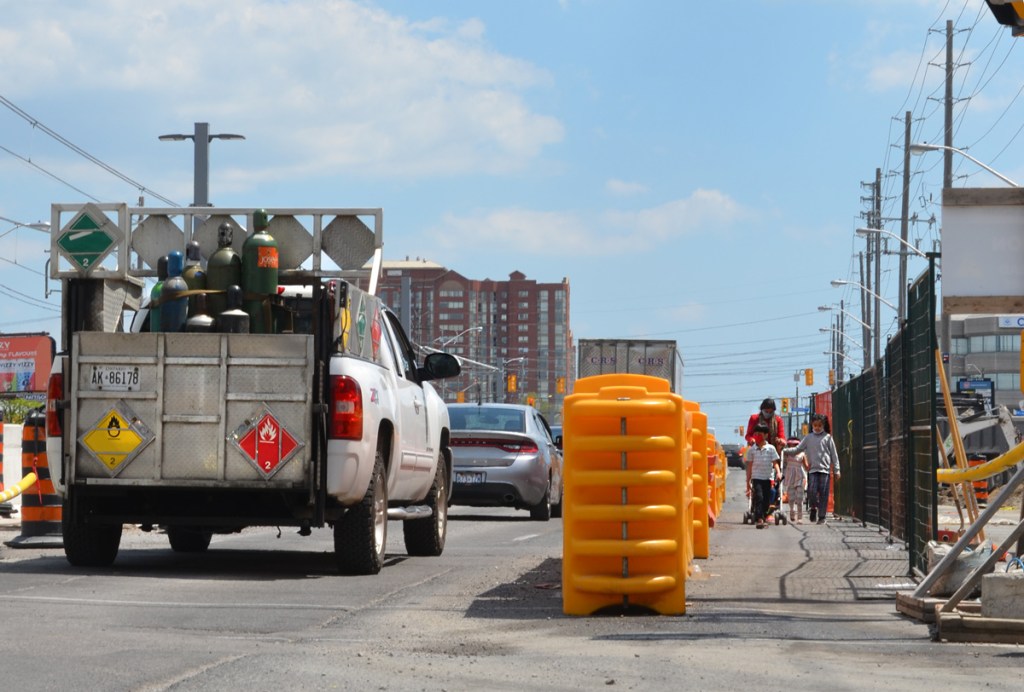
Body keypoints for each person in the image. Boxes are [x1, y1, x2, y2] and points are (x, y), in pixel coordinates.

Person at [790, 412, 840, 524]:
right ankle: (813, 507)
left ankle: (821, 516)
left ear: (823, 425)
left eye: (819, 426)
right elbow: (798, 448)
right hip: (813, 470)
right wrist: (787, 451)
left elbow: (834, 455)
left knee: (824, 493)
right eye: (815, 425)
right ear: (812, 425)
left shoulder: (827, 438)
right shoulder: (808, 438)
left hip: (825, 470)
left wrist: (837, 470)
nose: (817, 428)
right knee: (811, 491)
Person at [745, 423, 781, 529]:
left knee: (766, 499)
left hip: (768, 478)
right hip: (756, 478)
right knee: (759, 497)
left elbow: (775, 462)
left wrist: (778, 472)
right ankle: (759, 518)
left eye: (760, 434)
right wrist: (748, 480)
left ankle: (764, 515)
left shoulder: (771, 448)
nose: (757, 436)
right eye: (756, 434)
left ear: (765, 435)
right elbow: (749, 466)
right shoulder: (752, 450)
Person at [780, 438, 809, 524]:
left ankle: (800, 517)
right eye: (791, 445)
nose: (793, 447)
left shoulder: (802, 454)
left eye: (795, 445)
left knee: (799, 498)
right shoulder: (786, 454)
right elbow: (782, 461)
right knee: (791, 498)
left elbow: (806, 466)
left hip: (800, 476)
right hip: (790, 476)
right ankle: (792, 511)